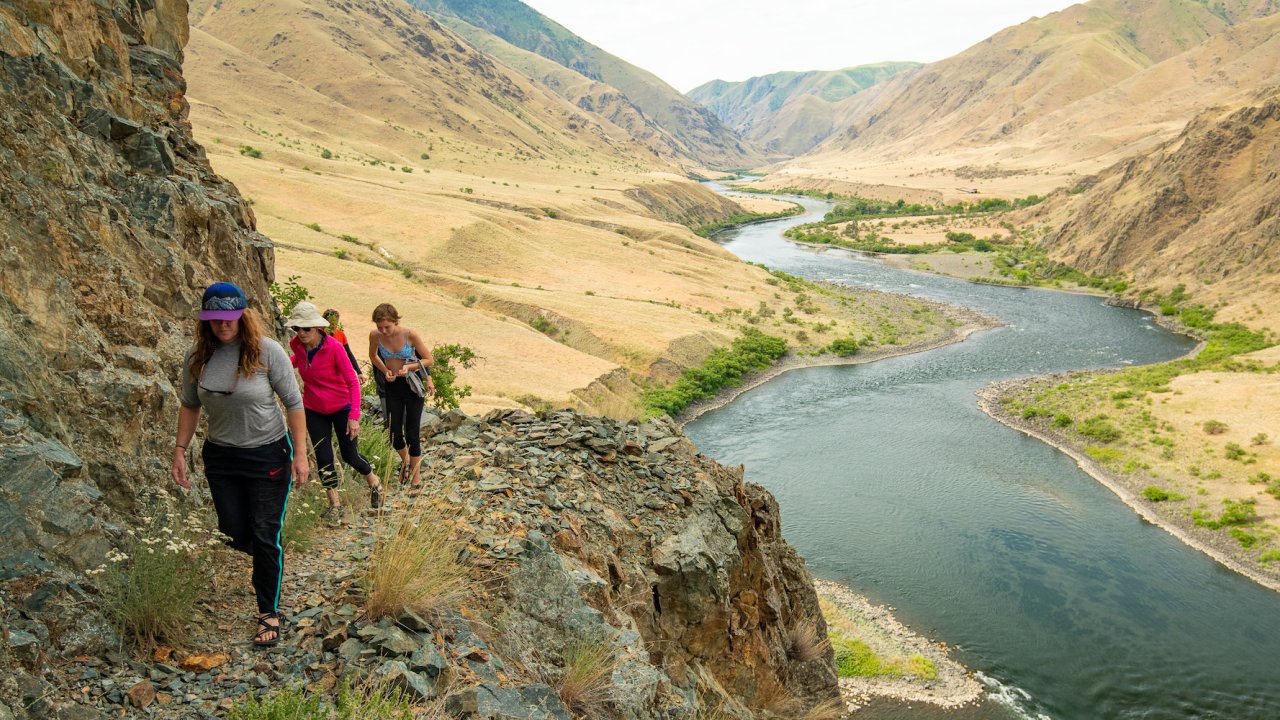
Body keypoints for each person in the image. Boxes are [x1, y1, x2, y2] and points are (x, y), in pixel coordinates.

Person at [171, 282, 308, 648]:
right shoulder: (197, 357)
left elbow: (294, 403)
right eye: (215, 319)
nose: (223, 325)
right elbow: (189, 403)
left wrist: (301, 454)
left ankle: (268, 612)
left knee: (265, 533)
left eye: (229, 318)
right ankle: (268, 555)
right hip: (221, 456)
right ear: (206, 321)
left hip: (267, 454)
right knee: (232, 531)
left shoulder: (266, 352)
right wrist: (180, 449)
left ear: (242, 316)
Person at [286, 302, 383, 516]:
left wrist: (354, 416)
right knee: (323, 457)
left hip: (342, 407)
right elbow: (300, 360)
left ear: (317, 327)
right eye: (297, 328)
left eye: (306, 329)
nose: (301, 333)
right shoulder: (296, 345)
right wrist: (281, 364)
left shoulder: (334, 348)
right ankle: (335, 505)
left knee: (350, 455)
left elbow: (352, 382)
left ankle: (375, 483)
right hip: (313, 408)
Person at [368, 303, 434, 488]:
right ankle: (406, 461)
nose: (383, 331)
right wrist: (385, 370)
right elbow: (373, 356)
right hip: (392, 385)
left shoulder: (409, 334)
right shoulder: (375, 336)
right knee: (394, 433)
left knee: (412, 433)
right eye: (379, 327)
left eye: (387, 327)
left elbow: (428, 359)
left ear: (395, 321)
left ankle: (416, 478)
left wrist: (410, 367)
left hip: (412, 385)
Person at [321, 308, 362, 377]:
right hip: (323, 372)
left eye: (336, 322)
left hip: (338, 373)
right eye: (331, 323)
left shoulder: (341, 334)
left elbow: (349, 354)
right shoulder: (319, 334)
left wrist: (359, 372)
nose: (334, 325)